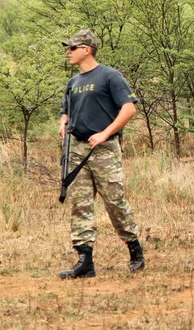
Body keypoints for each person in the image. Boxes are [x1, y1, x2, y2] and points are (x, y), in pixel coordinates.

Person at [58, 29, 144, 279]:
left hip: (103, 149)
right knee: (80, 204)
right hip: (77, 149)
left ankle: (134, 250)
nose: (68, 52)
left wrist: (105, 133)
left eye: (72, 48)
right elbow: (66, 110)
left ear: (87, 49)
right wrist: (63, 121)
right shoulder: (72, 82)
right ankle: (85, 260)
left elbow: (128, 110)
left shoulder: (110, 76)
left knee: (114, 201)